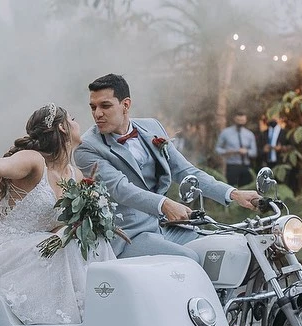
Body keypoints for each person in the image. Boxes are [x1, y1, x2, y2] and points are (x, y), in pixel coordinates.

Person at [0, 103, 116, 325]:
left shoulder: (74, 175)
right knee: (67, 251)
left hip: (39, 250)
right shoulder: (34, 160)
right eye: (72, 119)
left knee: (93, 241)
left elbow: (62, 225)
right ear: (63, 128)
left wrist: (74, 229)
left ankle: (104, 314)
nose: (78, 123)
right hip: (3, 254)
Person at [74, 73, 260, 262]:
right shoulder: (87, 147)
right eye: (93, 107)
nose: (97, 114)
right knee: (188, 259)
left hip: (164, 226)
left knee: (225, 250)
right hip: (128, 235)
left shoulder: (152, 127)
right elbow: (121, 189)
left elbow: (185, 170)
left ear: (126, 105)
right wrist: (165, 204)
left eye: (105, 106)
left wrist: (234, 194)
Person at [216, 111, 258, 187]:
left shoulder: (249, 134)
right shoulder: (226, 133)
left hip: (246, 166)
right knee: (231, 189)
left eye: (242, 121)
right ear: (235, 119)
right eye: (239, 120)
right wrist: (227, 152)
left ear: (245, 120)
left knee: (246, 189)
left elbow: (254, 152)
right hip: (232, 165)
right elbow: (218, 149)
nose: (240, 123)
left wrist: (246, 152)